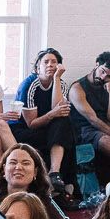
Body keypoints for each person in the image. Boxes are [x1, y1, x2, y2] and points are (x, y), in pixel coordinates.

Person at [15, 45, 77, 199]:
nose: (50, 65)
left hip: (49, 128)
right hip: (25, 129)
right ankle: (66, 186)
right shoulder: (29, 85)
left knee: (65, 125)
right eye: (46, 62)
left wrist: (56, 79)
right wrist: (52, 114)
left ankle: (55, 175)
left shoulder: (61, 84)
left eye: (54, 62)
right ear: (38, 67)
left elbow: (58, 112)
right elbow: (31, 123)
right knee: (65, 135)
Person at [0, 142, 72, 219]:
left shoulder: (45, 202)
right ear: (4, 170)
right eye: (13, 162)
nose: (18, 167)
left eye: (25, 163)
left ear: (35, 172)